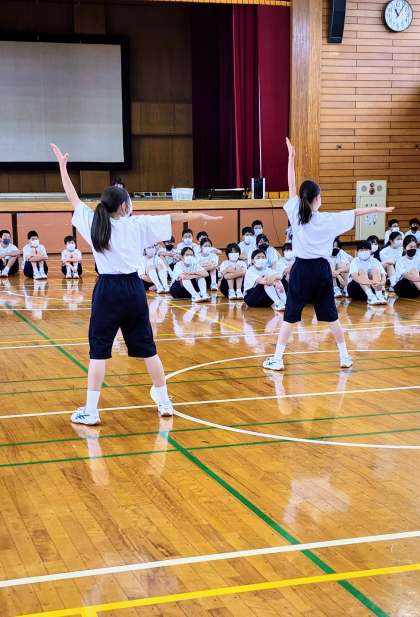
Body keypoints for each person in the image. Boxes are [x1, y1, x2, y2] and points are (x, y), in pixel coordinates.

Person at [51, 143, 221, 425]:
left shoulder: (94, 223)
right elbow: (174, 217)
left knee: (99, 352)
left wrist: (62, 168)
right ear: (124, 206)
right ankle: (164, 402)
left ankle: (91, 411)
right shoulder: (138, 224)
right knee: (148, 349)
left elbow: (73, 198)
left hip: (107, 291)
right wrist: (199, 216)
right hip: (133, 289)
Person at [263, 137, 393, 372]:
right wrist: (378, 208)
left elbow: (291, 185)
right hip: (322, 269)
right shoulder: (329, 220)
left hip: (302, 269)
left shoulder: (295, 212)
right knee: (331, 316)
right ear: (317, 199)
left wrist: (291, 158)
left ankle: (278, 359)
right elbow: (356, 211)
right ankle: (344, 356)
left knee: (290, 315)